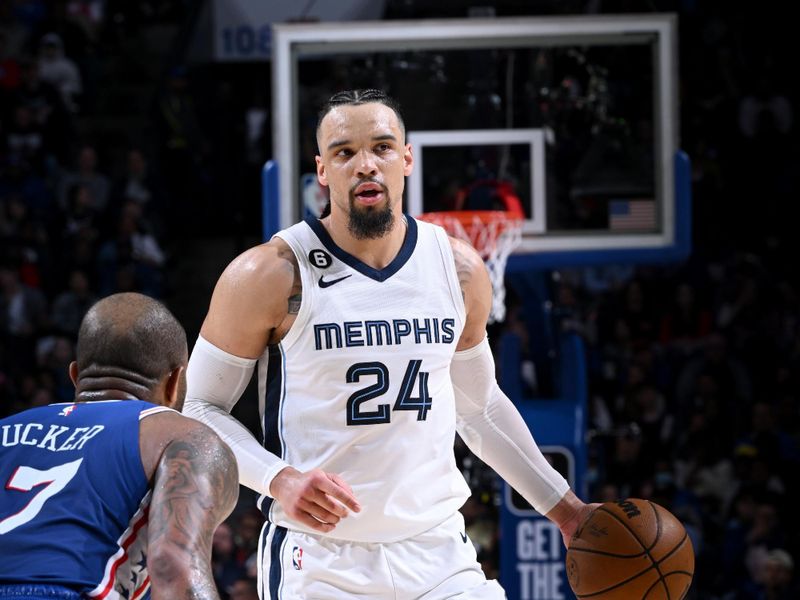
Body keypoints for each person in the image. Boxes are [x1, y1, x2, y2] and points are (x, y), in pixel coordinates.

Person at [184, 89, 595, 598]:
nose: (365, 164)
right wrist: (278, 479)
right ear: (322, 171)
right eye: (344, 152)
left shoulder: (460, 269)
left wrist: (567, 509)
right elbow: (198, 409)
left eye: (381, 147)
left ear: (406, 159)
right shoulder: (269, 274)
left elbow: (480, 408)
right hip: (319, 559)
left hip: (439, 550)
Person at [0, 292, 239, 600]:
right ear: (175, 382)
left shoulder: (6, 428)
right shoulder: (182, 435)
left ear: (75, 377)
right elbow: (175, 567)